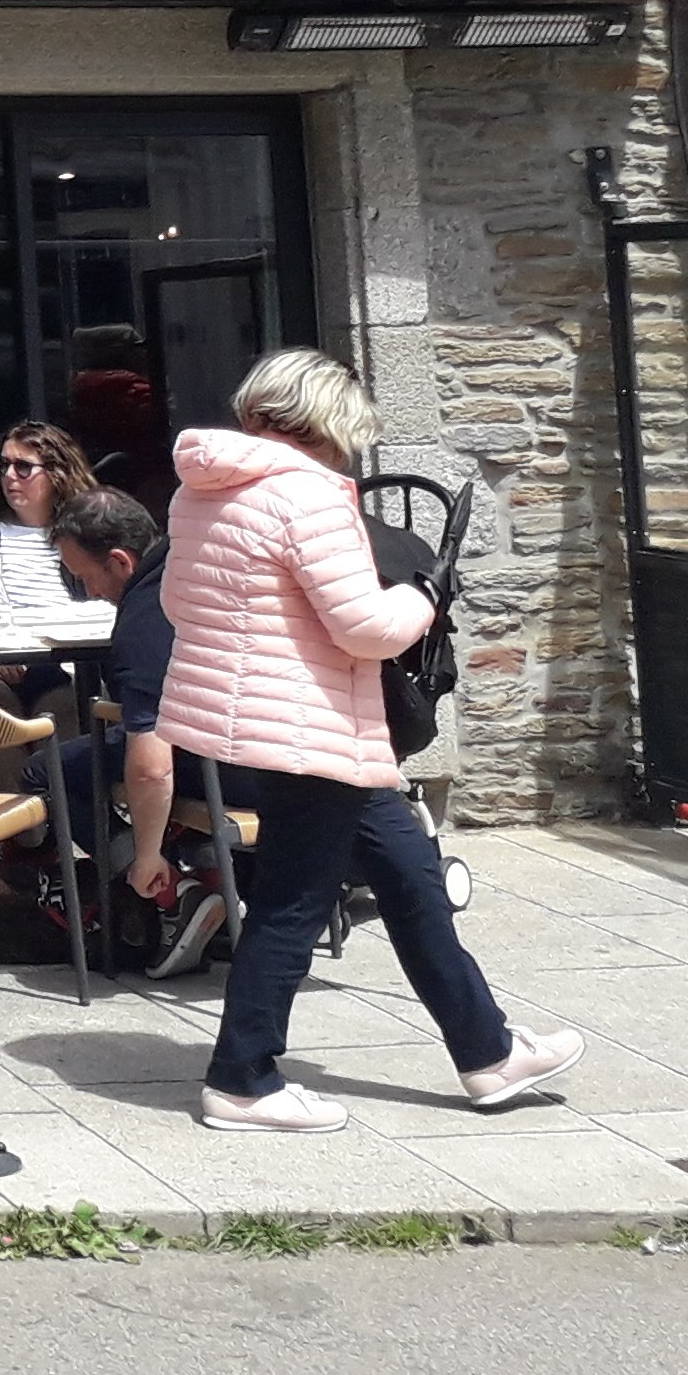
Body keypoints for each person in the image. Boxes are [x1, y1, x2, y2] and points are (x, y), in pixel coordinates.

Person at [162, 350, 581, 1133]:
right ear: (329, 422)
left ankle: (488, 1052)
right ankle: (242, 1080)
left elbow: (179, 601)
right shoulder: (307, 495)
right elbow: (368, 630)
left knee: (412, 877)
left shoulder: (203, 491)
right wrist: (426, 595)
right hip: (311, 726)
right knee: (293, 905)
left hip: (272, 724)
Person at [44, 489, 229, 978]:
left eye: (85, 576)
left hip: (225, 765)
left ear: (121, 562)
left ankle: (173, 894)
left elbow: (152, 767)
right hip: (288, 750)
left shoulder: (145, 623)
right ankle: (215, 875)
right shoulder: (195, 562)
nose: (88, 592)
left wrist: (146, 855)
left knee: (49, 771)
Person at [0, 419, 99, 618]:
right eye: (4, 465)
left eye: (23, 466)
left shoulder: (87, 531)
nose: (9, 475)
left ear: (56, 473)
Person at [66, 324, 170, 503]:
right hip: (137, 474)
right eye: (137, 348)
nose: (144, 354)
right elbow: (162, 423)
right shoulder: (129, 388)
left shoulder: (81, 386)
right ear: (119, 353)